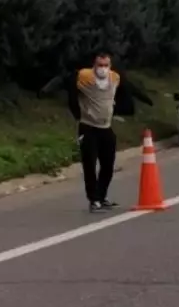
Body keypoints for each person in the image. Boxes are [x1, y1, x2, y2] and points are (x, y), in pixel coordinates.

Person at [66, 50, 153, 213]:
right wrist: (76, 113)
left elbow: (129, 87)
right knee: (90, 164)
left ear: (110, 66)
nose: (103, 68)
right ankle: (93, 200)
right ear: (94, 65)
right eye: (100, 65)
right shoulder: (84, 77)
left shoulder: (114, 78)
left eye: (106, 65)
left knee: (108, 164)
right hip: (88, 127)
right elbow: (68, 85)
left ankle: (102, 196)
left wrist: (145, 99)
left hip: (106, 128)